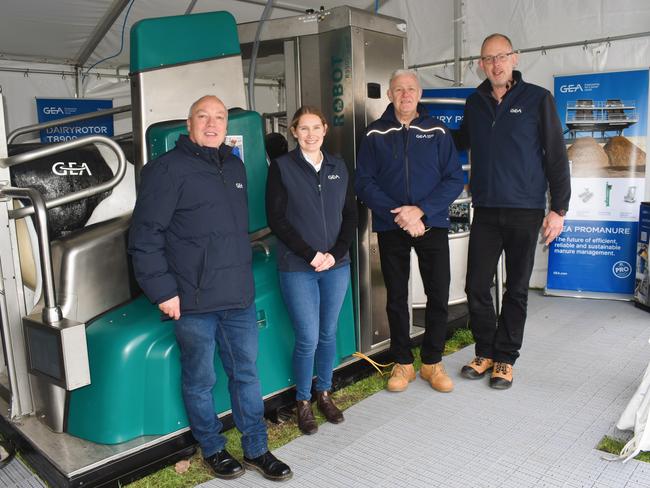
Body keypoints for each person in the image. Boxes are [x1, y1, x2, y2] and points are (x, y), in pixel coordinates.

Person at [128, 95, 292, 481]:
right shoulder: (165, 170)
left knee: (246, 375)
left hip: (237, 296)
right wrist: (163, 292)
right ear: (189, 123)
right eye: (204, 116)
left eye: (219, 117)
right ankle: (213, 449)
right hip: (192, 299)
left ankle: (256, 448)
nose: (213, 123)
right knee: (201, 380)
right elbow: (145, 236)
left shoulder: (233, 166)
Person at [455, 34, 571, 389]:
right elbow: (459, 143)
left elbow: (555, 155)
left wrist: (559, 210)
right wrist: (421, 130)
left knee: (516, 289)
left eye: (501, 56)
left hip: (526, 209)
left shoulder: (538, 99)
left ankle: (505, 358)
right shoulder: (475, 103)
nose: (496, 64)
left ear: (514, 59)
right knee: (476, 284)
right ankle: (485, 350)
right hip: (487, 209)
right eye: (488, 58)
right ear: (481, 64)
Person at [355, 69, 464, 393]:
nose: (405, 94)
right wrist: (400, 213)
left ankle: (432, 362)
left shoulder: (438, 131)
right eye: (399, 89)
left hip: (432, 224)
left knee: (438, 295)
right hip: (391, 225)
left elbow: (454, 179)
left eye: (411, 89)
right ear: (389, 94)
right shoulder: (374, 133)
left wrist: (421, 211)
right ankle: (403, 363)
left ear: (419, 94)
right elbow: (364, 183)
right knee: (396, 297)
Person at [266, 106, 357, 435]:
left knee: (328, 333)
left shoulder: (338, 166)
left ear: (324, 129)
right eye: (303, 129)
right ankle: (303, 401)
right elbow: (277, 219)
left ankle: (324, 392)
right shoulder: (282, 168)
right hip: (298, 267)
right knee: (308, 336)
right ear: (293, 131)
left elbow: (350, 215)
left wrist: (335, 254)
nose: (310, 134)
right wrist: (310, 255)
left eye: (315, 128)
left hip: (336, 265)